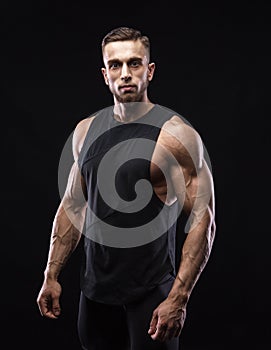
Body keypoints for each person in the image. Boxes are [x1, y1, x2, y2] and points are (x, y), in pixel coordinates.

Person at [37, 27, 216, 350]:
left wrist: (179, 297)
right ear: (105, 75)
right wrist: (51, 274)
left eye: (134, 64)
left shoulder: (175, 135)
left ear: (149, 71)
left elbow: (204, 220)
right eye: (115, 65)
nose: (125, 74)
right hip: (94, 294)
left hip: (150, 295)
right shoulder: (85, 131)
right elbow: (73, 206)